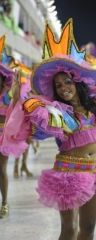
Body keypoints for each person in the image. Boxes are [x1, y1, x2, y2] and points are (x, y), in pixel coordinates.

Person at [0, 19, 96, 239]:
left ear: (76, 82)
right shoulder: (58, 113)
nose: (64, 88)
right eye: (58, 86)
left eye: (67, 82)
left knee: (88, 229)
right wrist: (18, 97)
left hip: (95, 170)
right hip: (68, 172)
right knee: (68, 230)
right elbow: (30, 110)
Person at [0, 35, 15, 218]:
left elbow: (15, 117)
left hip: (3, 136)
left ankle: (4, 202)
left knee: (1, 169)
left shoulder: (7, 96)